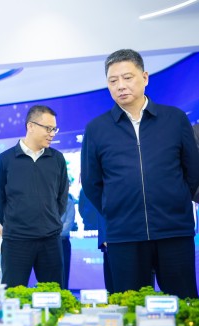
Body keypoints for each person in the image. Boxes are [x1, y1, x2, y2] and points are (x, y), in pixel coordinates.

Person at [81, 49, 199, 299]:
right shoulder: (96, 129)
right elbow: (92, 183)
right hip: (124, 235)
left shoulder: (174, 119)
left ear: (144, 78)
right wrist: (116, 208)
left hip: (174, 230)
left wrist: (175, 199)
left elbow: (192, 171)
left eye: (128, 77)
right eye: (113, 81)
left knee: (184, 304)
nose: (120, 86)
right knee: (130, 307)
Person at [0, 105, 68, 289]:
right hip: (16, 241)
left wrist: (50, 219)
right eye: (48, 128)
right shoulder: (5, 160)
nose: (52, 134)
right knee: (13, 297)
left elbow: (62, 197)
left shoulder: (57, 159)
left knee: (54, 296)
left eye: (54, 129)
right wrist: (13, 222)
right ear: (30, 126)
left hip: (50, 240)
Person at [60, 190, 76, 290]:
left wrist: (51, 232)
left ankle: (63, 295)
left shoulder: (68, 202)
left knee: (64, 274)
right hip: (47, 241)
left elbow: (68, 224)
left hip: (62, 241)